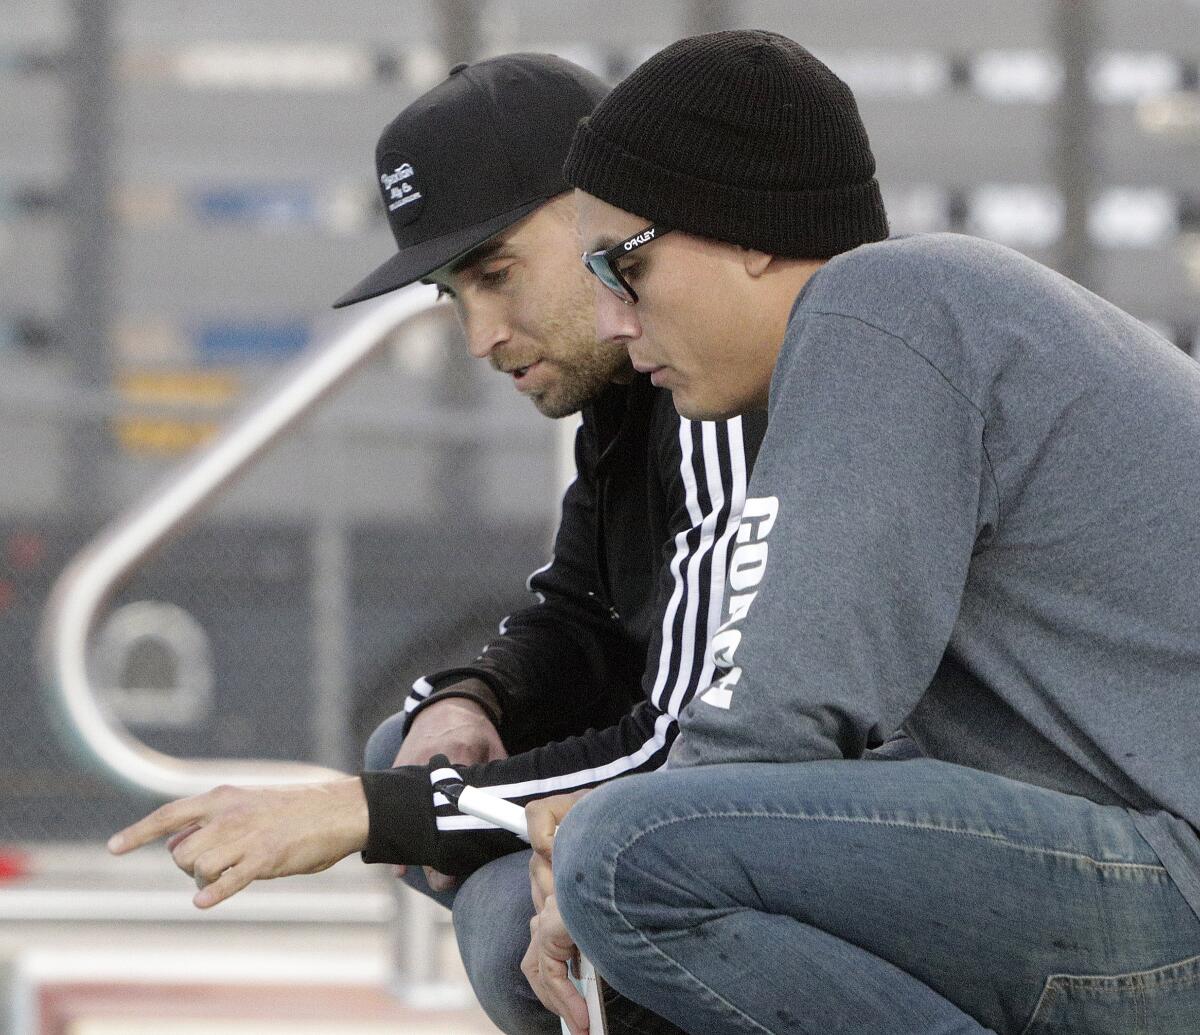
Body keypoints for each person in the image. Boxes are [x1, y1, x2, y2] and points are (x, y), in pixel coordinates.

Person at [522, 28, 1200, 1035]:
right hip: (1146, 853)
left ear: (748, 230)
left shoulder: (881, 309)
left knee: (625, 859)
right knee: (623, 873)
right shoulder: (929, 316)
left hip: (1173, 882)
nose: (614, 322)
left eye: (622, 268)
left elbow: (775, 714)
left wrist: (598, 868)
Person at [109, 52, 764, 1035]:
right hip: (720, 792)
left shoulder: (716, 378)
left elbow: (707, 751)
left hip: (830, 824)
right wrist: (475, 699)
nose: (481, 337)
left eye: (497, 276)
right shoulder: (625, 391)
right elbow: (581, 612)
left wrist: (366, 815)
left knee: (509, 915)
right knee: (419, 755)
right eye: (455, 298)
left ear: (601, 216)